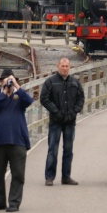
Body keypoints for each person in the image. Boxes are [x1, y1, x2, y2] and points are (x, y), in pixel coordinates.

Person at [0, 69, 34, 212]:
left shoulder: (19, 95)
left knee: (18, 174)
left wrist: (16, 85)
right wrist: (4, 92)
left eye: (9, 80)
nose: (7, 83)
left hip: (17, 140)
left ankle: (14, 202)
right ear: (0, 82)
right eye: (4, 80)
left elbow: (29, 101)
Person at [40, 57, 85, 186]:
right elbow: (44, 98)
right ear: (57, 66)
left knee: (68, 150)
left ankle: (66, 176)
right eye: (63, 66)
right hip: (56, 121)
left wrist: (74, 111)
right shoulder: (50, 82)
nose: (65, 68)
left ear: (69, 67)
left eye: (67, 66)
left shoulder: (75, 82)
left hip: (70, 121)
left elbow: (81, 98)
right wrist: (55, 111)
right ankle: (49, 176)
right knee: (52, 149)